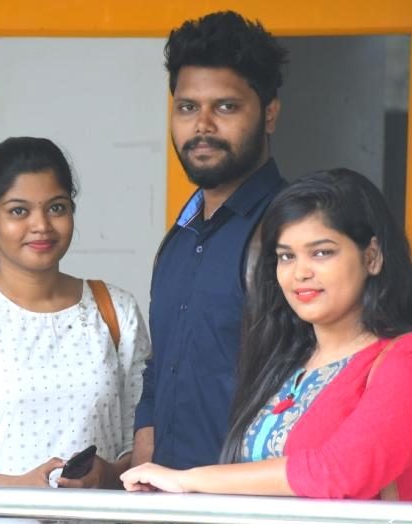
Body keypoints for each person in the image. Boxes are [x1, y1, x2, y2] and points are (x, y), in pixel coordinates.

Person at [121, 169, 412, 501]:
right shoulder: (286, 362)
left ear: (372, 256)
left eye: (322, 252)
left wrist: (189, 479)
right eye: (286, 256)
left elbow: (340, 472)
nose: (301, 272)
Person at [0, 136, 151, 490]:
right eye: (19, 211)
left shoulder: (114, 310)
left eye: (56, 208)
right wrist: (19, 488)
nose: (41, 225)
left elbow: (137, 444)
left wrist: (104, 474)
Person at [133, 10, 289, 470]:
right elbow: (161, 370)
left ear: (270, 114)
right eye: (187, 107)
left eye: (225, 106)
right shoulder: (179, 240)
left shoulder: (296, 230)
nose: (202, 125)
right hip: (167, 502)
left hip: (251, 506)